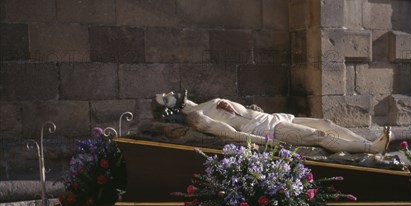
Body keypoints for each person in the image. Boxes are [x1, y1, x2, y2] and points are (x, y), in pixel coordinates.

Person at [152, 91, 391, 154]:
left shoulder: (205, 103)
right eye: (166, 97)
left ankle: (366, 142)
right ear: (169, 108)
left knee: (326, 122)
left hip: (272, 117)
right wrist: (261, 141)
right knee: (318, 137)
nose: (171, 94)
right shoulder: (195, 117)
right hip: (265, 129)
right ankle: (372, 149)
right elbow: (228, 132)